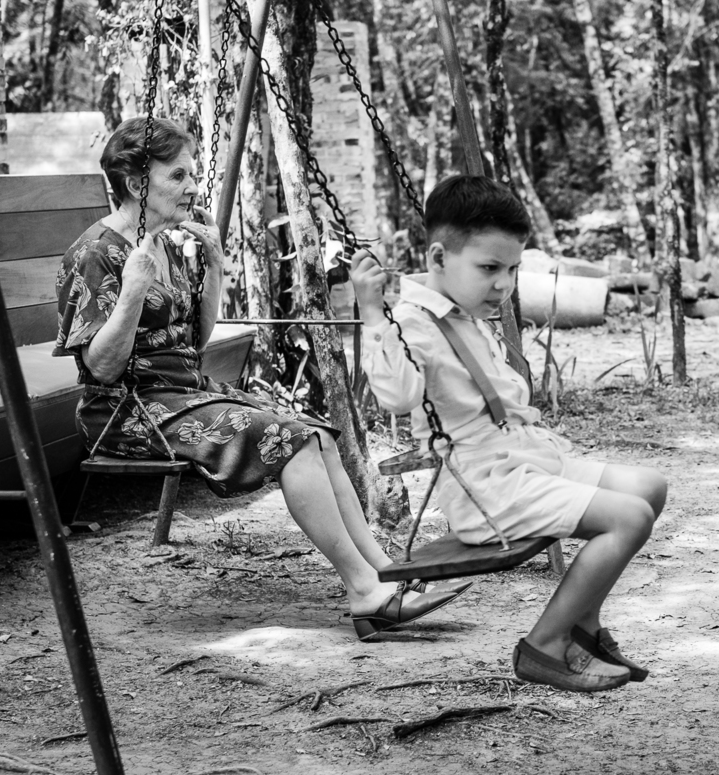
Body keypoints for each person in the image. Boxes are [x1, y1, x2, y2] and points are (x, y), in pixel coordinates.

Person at [54, 116, 464, 641]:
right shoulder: (95, 254)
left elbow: (192, 344)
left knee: (315, 434)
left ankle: (387, 572)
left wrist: (217, 264)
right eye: (178, 176)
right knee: (287, 442)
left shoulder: (162, 242)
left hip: (181, 393)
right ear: (138, 184)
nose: (192, 186)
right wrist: (133, 291)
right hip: (128, 410)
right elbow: (100, 369)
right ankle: (365, 590)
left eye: (191, 174)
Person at [351, 175, 668, 692]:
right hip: (486, 486)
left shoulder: (466, 308)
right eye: (489, 269)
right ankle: (545, 645)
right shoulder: (412, 321)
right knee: (628, 518)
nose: (504, 284)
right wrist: (370, 312)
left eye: (513, 269)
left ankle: (584, 630)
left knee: (650, 486)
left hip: (523, 457)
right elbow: (397, 397)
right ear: (437, 258)